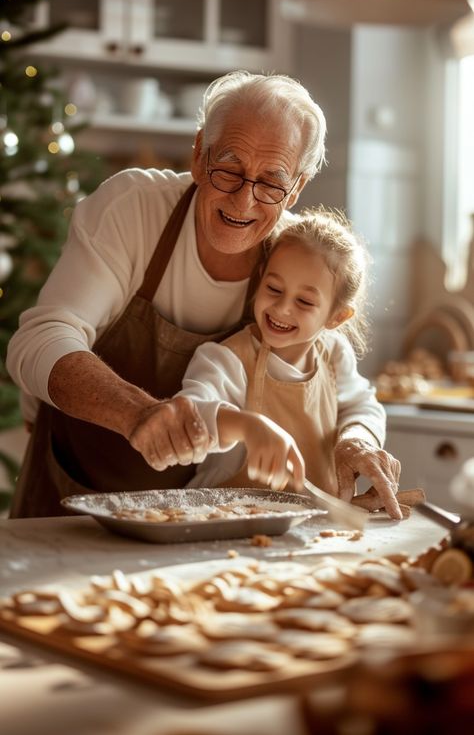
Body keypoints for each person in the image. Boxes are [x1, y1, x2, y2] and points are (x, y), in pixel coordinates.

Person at [6, 70, 401, 519]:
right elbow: (38, 340)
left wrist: (357, 440)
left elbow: (345, 386)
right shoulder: (133, 208)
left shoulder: (294, 260)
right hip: (69, 490)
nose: (243, 202)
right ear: (198, 155)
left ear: (297, 188)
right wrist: (138, 412)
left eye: (271, 182)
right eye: (229, 169)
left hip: (196, 520)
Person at [169, 207, 401, 516]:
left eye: (304, 301)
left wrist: (356, 440)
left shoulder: (334, 354)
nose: (282, 308)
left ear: (336, 316)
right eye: (273, 289)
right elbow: (188, 415)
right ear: (260, 277)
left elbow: (363, 407)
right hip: (217, 523)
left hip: (311, 531)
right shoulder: (225, 359)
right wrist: (248, 427)